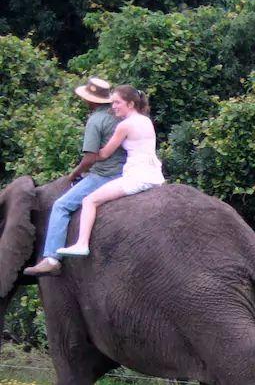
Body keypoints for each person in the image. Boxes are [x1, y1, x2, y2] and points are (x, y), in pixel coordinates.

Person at [23, 77, 127, 276]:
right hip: (127, 172)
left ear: (91, 101)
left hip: (105, 175)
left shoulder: (95, 120)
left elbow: (89, 158)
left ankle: (52, 258)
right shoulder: (119, 115)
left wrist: (74, 173)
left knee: (61, 205)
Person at [56, 85, 164, 258]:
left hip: (137, 177)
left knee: (89, 200)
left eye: (117, 103)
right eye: (112, 102)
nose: (113, 106)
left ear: (130, 104)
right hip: (155, 175)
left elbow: (105, 153)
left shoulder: (125, 126)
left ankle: (82, 244)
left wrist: (88, 159)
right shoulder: (146, 120)